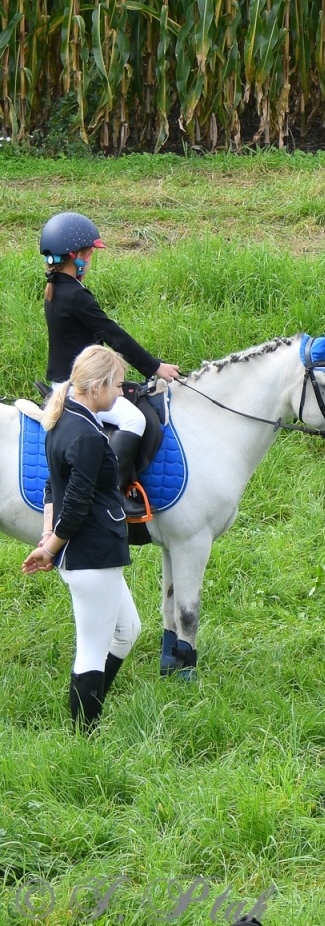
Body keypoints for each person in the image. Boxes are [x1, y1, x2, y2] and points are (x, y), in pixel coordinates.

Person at [22, 345, 142, 731]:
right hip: (91, 553)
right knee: (91, 649)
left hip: (88, 552)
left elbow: (52, 486)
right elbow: (74, 502)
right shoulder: (86, 434)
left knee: (128, 631)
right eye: (119, 387)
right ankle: (83, 737)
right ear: (97, 386)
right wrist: (49, 550)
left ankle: (89, 708)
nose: (121, 394)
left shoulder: (62, 418)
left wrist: (46, 538)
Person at [41, 211, 181, 511]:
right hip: (78, 385)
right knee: (135, 419)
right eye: (89, 256)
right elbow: (113, 335)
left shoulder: (56, 290)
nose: (90, 262)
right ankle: (111, 492)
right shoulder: (76, 296)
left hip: (65, 379)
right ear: (76, 256)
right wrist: (155, 367)